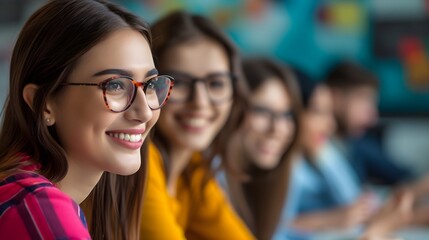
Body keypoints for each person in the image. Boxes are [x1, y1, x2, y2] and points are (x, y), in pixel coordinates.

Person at [0, 0, 174, 239]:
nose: (144, 111)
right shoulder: (37, 208)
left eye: (151, 85)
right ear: (45, 101)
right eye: (115, 85)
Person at [139, 11, 254, 239]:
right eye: (179, 83)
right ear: (150, 87)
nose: (200, 103)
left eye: (216, 83)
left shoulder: (194, 167)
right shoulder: (140, 163)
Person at [282, 69, 379, 237]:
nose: (330, 125)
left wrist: (323, 153)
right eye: (319, 112)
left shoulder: (305, 160)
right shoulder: (286, 167)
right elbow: (272, 229)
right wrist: (328, 220)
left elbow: (353, 203)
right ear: (293, 113)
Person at [216, 57, 301, 240]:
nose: (278, 129)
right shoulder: (210, 176)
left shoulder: (280, 174)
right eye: (262, 111)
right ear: (233, 110)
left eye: (286, 114)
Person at [325, 61, 414, 186]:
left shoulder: (356, 144)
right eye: (363, 100)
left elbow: (403, 177)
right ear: (334, 97)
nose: (373, 116)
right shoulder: (319, 150)